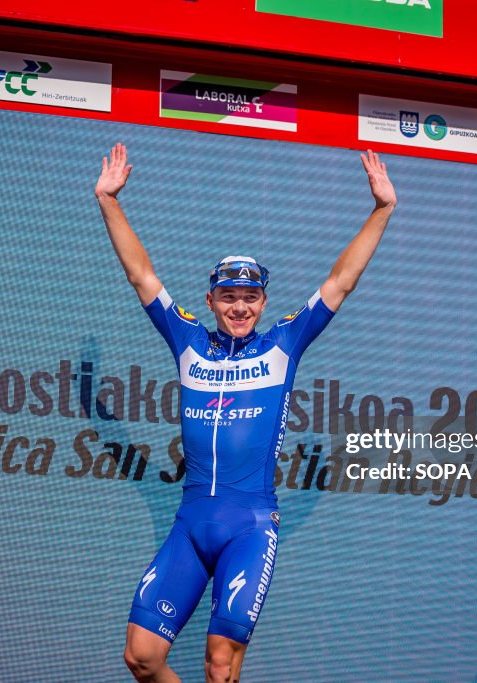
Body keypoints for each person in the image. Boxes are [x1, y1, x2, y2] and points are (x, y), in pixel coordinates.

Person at [94, 142, 397, 683]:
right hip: (191, 524)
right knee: (141, 658)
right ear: (210, 300)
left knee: (220, 665)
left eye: (250, 297)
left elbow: (340, 282)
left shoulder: (283, 343)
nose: (240, 307)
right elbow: (141, 276)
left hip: (250, 526)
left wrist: (381, 209)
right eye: (229, 296)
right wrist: (109, 200)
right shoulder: (187, 340)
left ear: (262, 302)